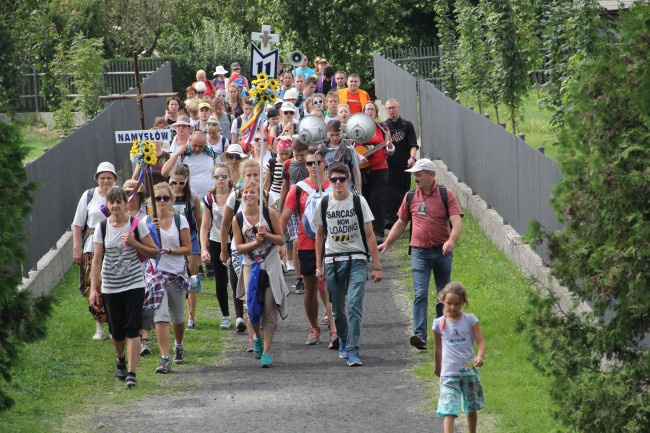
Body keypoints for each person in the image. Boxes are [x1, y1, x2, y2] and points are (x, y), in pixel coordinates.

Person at [378, 159, 463, 350]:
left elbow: (456, 222)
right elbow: (401, 223)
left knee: (443, 294)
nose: (415, 177)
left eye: (419, 173)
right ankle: (420, 335)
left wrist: (451, 241)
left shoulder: (445, 194)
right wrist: (387, 243)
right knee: (420, 294)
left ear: (431, 175)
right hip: (420, 252)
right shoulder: (410, 196)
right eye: (414, 174)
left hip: (442, 252)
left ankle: (442, 331)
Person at [89, 187, 158, 389]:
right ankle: (120, 358)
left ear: (126, 204)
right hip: (111, 286)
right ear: (108, 205)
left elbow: (154, 252)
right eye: (112, 202)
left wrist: (135, 243)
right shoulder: (102, 228)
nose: (116, 206)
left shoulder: (137, 225)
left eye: (119, 202)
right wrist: (94, 288)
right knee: (117, 332)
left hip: (135, 283)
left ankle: (132, 373)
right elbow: (97, 260)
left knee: (133, 329)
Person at [314, 163, 382, 367]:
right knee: (337, 310)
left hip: (357, 260)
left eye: (341, 179)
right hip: (333, 261)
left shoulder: (359, 202)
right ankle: (343, 338)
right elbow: (319, 235)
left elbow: (369, 235)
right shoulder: (324, 203)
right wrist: (319, 265)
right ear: (329, 179)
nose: (337, 183)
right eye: (333, 179)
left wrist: (377, 266)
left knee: (354, 305)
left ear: (348, 181)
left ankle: (353, 349)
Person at [280, 150, 337, 346]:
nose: (314, 166)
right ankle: (314, 327)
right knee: (311, 288)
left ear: (324, 164)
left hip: (334, 244)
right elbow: (285, 217)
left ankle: (334, 328)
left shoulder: (335, 185)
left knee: (330, 287)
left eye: (318, 162)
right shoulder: (298, 189)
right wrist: (279, 242)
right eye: (310, 163)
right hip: (307, 244)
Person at [233, 180, 289, 367]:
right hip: (251, 267)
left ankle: (266, 351)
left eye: (253, 192)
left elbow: (281, 239)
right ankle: (256, 336)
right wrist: (255, 243)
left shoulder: (269, 214)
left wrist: (267, 236)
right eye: (246, 192)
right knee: (252, 309)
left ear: (259, 195)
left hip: (270, 265)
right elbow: (239, 247)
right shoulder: (238, 219)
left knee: (270, 307)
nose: (249, 195)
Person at [145, 182, 192, 373]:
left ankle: (178, 345)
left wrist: (170, 250)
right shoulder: (146, 221)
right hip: (156, 275)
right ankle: (164, 358)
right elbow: (142, 249)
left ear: (171, 199)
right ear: (152, 201)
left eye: (165, 198)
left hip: (176, 273)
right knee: (160, 316)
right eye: (158, 198)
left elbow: (187, 247)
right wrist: (150, 230)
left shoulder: (180, 220)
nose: (162, 202)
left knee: (178, 316)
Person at [72, 162, 118, 341]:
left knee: (113, 284)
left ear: (114, 179)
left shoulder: (119, 195)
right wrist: (77, 247)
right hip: (91, 246)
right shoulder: (89, 195)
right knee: (93, 285)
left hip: (114, 246)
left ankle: (115, 323)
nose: (105, 181)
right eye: (102, 178)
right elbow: (77, 224)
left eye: (109, 178)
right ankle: (100, 326)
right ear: (97, 179)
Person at [433, 282, 486, 433]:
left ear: (463, 302)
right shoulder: (439, 324)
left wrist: (480, 356)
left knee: (471, 407)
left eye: (457, 304)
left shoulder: (470, 320)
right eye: (449, 303)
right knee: (449, 409)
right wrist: (438, 367)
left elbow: (480, 341)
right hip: (449, 373)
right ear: (443, 300)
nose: (453, 307)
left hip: (469, 372)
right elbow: (438, 347)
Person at [168, 164, 202, 330]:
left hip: (191, 237)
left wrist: (203, 242)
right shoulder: (166, 196)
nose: (177, 187)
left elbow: (199, 221)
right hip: (172, 239)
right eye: (174, 182)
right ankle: (174, 313)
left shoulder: (192, 197)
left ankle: (191, 317)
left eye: (181, 183)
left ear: (187, 181)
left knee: (192, 278)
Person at [200, 164, 235, 329]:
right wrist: (203, 248)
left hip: (235, 241)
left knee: (237, 279)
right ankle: (226, 316)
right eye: (217, 176)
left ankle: (242, 315)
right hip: (215, 240)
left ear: (229, 177)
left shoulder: (237, 195)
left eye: (223, 176)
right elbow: (205, 225)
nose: (220, 179)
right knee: (221, 280)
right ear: (212, 179)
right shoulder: (209, 199)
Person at [358, 101, 395, 241]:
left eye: (372, 110)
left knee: (377, 199)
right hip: (362, 170)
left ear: (376, 112)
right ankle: (366, 232)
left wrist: (390, 146)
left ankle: (378, 232)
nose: (370, 112)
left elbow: (390, 152)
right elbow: (353, 146)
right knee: (365, 199)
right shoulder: (357, 127)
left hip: (380, 169)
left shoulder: (383, 128)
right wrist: (359, 155)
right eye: (367, 109)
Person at [385, 98, 419, 227]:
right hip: (388, 164)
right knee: (389, 191)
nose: (391, 110)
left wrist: (412, 158)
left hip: (404, 163)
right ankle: (390, 219)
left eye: (394, 107)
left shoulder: (407, 125)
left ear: (399, 108)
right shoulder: (383, 126)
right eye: (389, 108)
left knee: (404, 190)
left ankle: (403, 217)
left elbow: (413, 144)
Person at [162, 131, 217, 198]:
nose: (197, 149)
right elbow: (164, 172)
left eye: (201, 146)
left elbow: (217, 172)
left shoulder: (211, 152)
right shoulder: (182, 154)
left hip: (208, 196)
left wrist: (214, 187)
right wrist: (176, 154)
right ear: (189, 141)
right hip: (187, 196)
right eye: (195, 145)